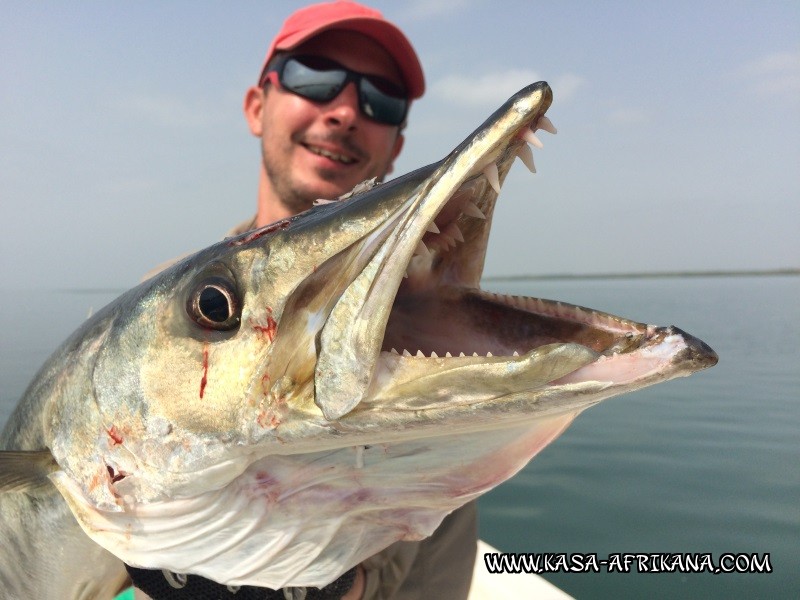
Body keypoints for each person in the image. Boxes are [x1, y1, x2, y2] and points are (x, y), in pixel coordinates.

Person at [132, 2, 477, 599]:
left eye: (382, 101)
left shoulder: (436, 351)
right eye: (313, 77)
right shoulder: (152, 310)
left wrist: (348, 584)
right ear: (256, 106)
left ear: (396, 145)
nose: (345, 112)